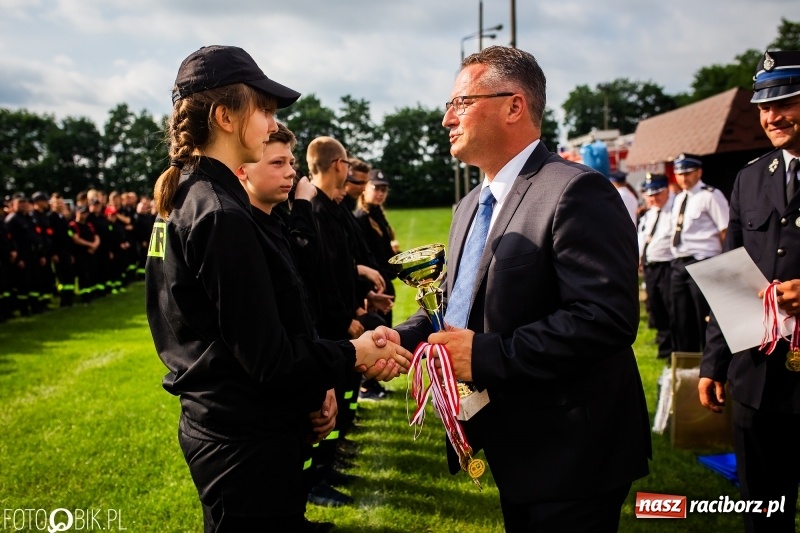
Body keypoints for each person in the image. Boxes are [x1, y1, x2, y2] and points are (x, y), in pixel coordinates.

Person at [378, 45, 651, 532]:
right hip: (514, 443)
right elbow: (461, 304)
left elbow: (604, 318)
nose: (446, 119)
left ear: (513, 106)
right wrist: (400, 340)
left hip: (572, 451)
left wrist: (485, 355)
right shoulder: (469, 206)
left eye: (460, 102)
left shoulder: (574, 190)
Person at [144, 45, 409, 533]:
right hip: (244, 442)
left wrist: (316, 386)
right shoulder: (220, 214)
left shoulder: (195, 196)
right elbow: (271, 361)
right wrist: (354, 353)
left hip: (238, 430)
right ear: (225, 117)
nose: (271, 123)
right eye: (263, 109)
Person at [699, 49, 800, 533]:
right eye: (763, 106)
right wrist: (714, 364)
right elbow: (730, 278)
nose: (772, 116)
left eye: (786, 101)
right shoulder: (750, 179)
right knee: (764, 513)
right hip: (757, 379)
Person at [669, 153, 729, 352]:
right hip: (679, 262)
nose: (683, 178)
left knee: (703, 316)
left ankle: (709, 360)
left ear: (699, 172)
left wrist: (725, 264)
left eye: (688, 173)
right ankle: (686, 361)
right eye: (679, 174)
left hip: (703, 261)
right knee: (681, 316)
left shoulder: (710, 195)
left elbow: (725, 231)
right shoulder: (679, 199)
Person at [637, 173, 675, 359]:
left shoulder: (675, 210)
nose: (654, 198)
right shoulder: (648, 214)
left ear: (667, 190)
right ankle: (663, 345)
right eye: (650, 195)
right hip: (651, 267)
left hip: (667, 265)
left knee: (671, 307)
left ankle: (674, 347)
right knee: (656, 306)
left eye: (658, 193)